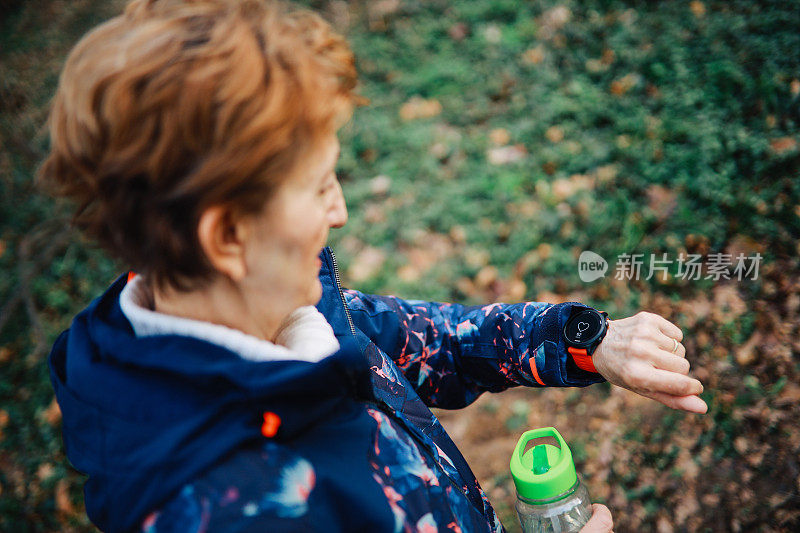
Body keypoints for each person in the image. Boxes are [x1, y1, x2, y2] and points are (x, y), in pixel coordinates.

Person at [40, 0, 705, 531]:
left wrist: (588, 340)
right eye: (319, 184)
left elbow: (425, 342)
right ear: (228, 235)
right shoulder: (228, 512)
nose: (342, 210)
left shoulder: (273, 305)